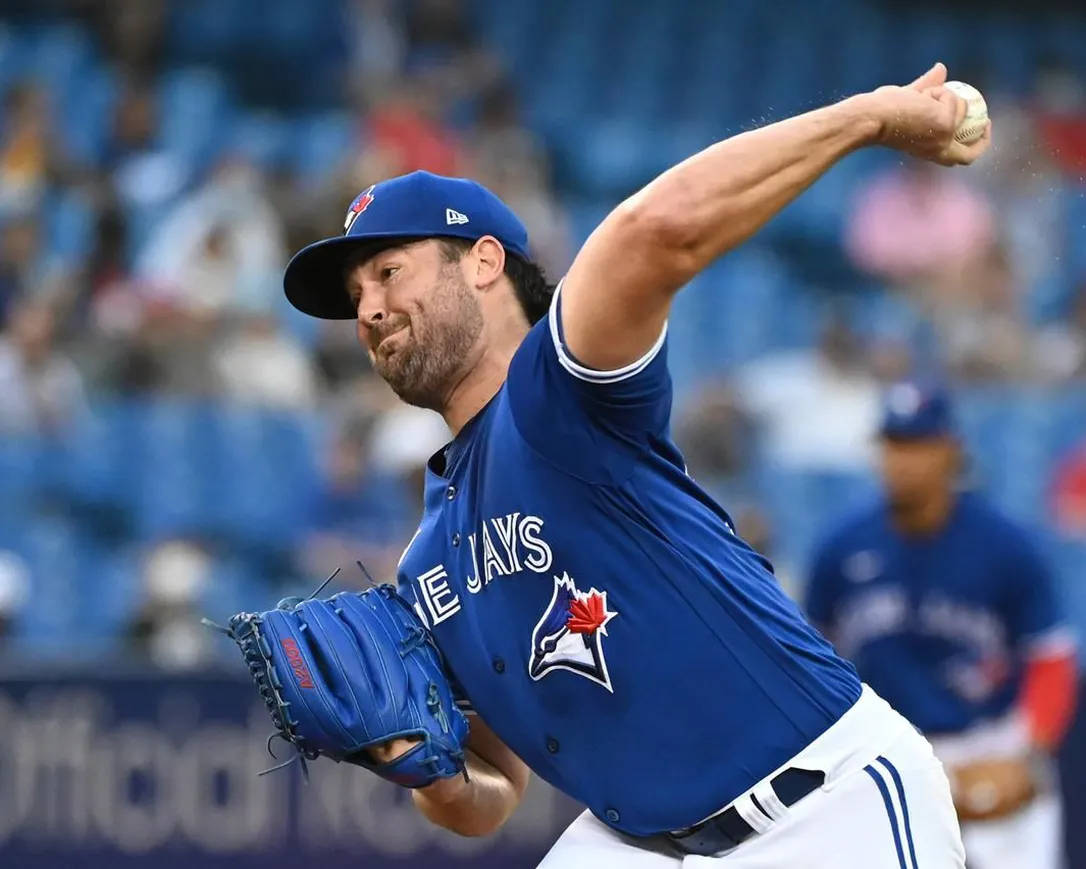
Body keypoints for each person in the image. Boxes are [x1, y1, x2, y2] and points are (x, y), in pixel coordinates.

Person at [282, 63, 988, 866]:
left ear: (482, 262)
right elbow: (495, 794)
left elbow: (657, 231)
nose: (367, 309)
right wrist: (428, 773)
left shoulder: (558, 389)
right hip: (645, 843)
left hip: (822, 809)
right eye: (355, 293)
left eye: (388, 271)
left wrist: (875, 116)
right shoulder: (429, 559)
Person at [806, 382, 1079, 869]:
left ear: (951, 450)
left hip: (988, 742)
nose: (903, 461)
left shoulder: (1006, 547)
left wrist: (1029, 755)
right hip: (887, 748)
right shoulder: (841, 549)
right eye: (893, 444)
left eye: (918, 444)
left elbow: (1052, 663)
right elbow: (805, 667)